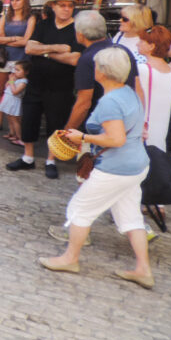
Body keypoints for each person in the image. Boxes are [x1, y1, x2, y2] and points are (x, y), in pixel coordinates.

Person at [40, 47, 153, 289]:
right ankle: (143, 269)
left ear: (102, 71)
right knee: (131, 216)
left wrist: (83, 137)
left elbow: (116, 139)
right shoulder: (129, 92)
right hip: (136, 164)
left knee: (80, 209)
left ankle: (70, 259)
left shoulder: (110, 102)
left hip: (116, 167)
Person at [6, 0, 82, 178]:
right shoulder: (44, 25)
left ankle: (51, 160)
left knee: (55, 123)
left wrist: (45, 51)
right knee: (29, 119)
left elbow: (74, 58)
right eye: (62, 5)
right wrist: (57, 49)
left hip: (61, 86)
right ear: (54, 6)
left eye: (69, 5)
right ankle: (28, 157)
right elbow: (30, 48)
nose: (66, 9)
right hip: (36, 82)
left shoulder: (77, 29)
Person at [0, 0, 36, 130]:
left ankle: (15, 128)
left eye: (17, 0)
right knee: (1, 91)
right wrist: (15, 38)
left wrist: (6, 40)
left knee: (17, 93)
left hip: (20, 59)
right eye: (12, 0)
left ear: (24, 1)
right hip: (4, 58)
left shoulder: (30, 18)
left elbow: (26, 41)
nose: (14, 3)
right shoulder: (5, 17)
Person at [137, 26, 171, 152]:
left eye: (141, 41)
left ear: (151, 46)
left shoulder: (142, 69)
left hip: (142, 133)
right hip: (160, 135)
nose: (137, 44)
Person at [113, 4, 171, 70]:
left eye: (125, 19)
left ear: (137, 21)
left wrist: (164, 71)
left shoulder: (151, 37)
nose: (120, 20)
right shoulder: (119, 35)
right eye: (120, 17)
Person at [0, 61, 29, 145]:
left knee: (15, 120)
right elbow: (6, 86)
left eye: (18, 70)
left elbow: (15, 92)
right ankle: (12, 133)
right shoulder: (16, 79)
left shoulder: (23, 81)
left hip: (14, 102)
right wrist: (10, 80)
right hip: (9, 100)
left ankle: (20, 138)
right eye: (15, 69)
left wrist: (11, 81)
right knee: (9, 118)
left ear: (26, 72)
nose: (15, 72)